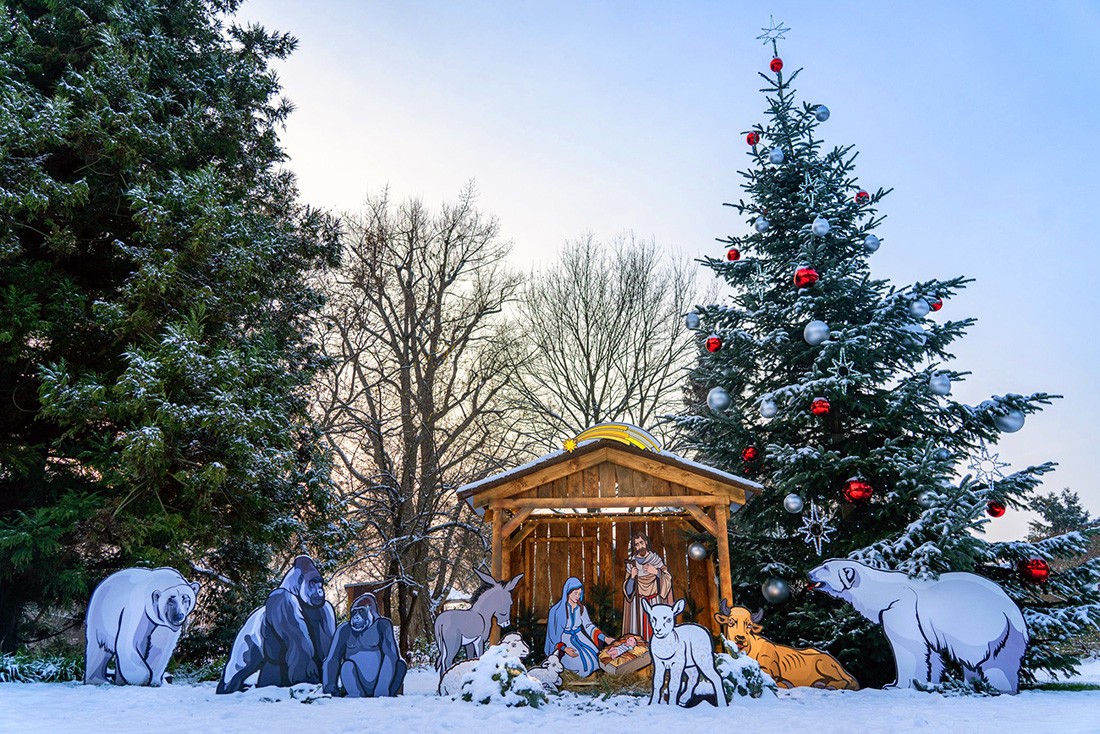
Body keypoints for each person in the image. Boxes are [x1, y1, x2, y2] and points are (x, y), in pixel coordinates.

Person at [322, 593, 407, 697]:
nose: (356, 617)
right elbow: (332, 659)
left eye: (361, 611)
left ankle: (387, 692)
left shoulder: (382, 626)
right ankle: (355, 694)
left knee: (400, 664)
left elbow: (391, 656)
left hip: (383, 683)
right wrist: (330, 690)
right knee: (347, 666)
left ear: (371, 611)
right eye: (354, 612)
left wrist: (381, 691)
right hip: (355, 683)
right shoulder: (344, 630)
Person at [544, 577, 613, 678]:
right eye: (575, 593)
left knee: (595, 657)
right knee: (578, 662)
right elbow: (553, 636)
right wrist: (564, 648)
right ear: (568, 592)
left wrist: (605, 638)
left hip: (580, 637)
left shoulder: (581, 609)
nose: (577, 596)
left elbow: (588, 626)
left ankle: (592, 678)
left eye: (579, 594)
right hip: (564, 640)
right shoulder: (556, 611)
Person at [621, 532, 673, 640]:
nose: (640, 546)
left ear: (645, 542)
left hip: (655, 601)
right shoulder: (632, 565)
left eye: (641, 543)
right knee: (639, 635)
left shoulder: (656, 561)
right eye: (637, 544)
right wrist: (632, 578)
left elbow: (667, 578)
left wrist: (656, 572)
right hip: (638, 603)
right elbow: (628, 592)